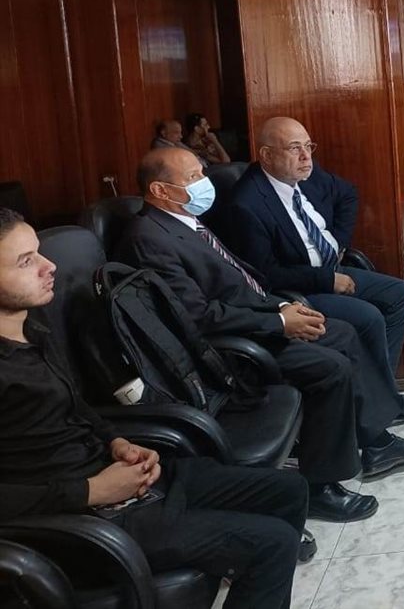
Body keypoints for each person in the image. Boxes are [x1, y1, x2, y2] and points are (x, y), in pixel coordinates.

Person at [0, 208, 310, 609]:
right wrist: (92, 490)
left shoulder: (33, 328)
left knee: (289, 489)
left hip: (117, 479)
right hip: (77, 523)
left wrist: (117, 442)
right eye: (26, 261)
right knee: (273, 543)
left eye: (39, 252)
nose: (49, 266)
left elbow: (77, 407)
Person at [116, 148, 404, 523]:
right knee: (330, 367)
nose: (204, 182)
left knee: (343, 332)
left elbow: (238, 283)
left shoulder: (185, 220)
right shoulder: (149, 239)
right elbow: (197, 317)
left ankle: (375, 439)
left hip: (259, 313)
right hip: (228, 349)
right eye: (192, 178)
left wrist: (283, 307)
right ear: (159, 189)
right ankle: (319, 487)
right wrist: (280, 323)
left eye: (201, 172)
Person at [224, 117, 404, 422]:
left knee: (401, 294)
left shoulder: (306, 173)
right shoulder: (247, 203)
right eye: (294, 148)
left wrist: (338, 241)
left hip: (330, 266)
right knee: (368, 317)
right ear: (266, 155)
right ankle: (379, 408)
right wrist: (327, 279)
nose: (306, 156)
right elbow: (265, 274)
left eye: (308, 146)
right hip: (299, 289)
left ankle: (380, 396)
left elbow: (348, 194)